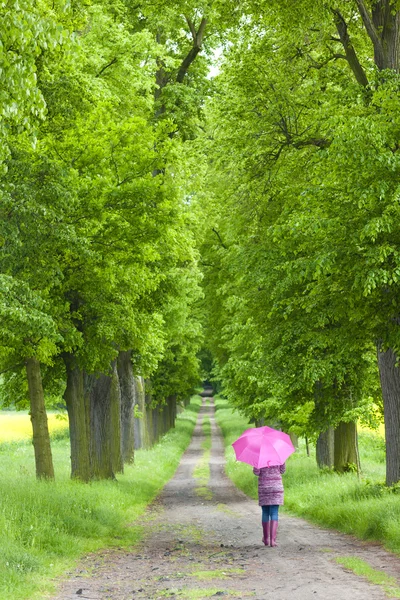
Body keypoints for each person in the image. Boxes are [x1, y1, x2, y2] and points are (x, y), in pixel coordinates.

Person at [253, 463, 286, 547]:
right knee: (274, 512)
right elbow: (282, 470)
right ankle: (272, 540)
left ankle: (266, 539)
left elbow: (256, 472)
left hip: (264, 487)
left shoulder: (259, 457)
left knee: (265, 512)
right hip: (276, 487)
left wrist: (256, 464)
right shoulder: (278, 456)